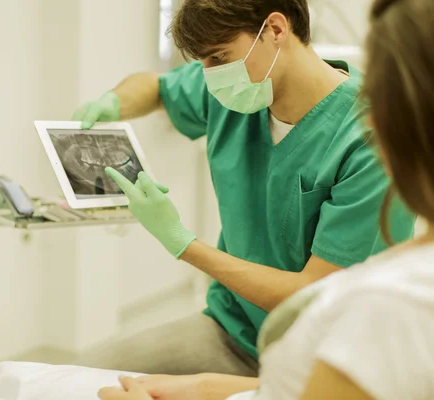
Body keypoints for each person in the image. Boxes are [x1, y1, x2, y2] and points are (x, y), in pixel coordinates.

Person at [96, 0, 434, 398]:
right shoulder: (236, 91)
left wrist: (183, 244)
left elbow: (310, 297)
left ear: (275, 29)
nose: (209, 76)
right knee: (79, 379)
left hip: (314, 348)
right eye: (203, 61)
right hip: (233, 328)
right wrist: (112, 103)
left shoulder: (366, 138)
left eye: (219, 57)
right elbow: (156, 87)